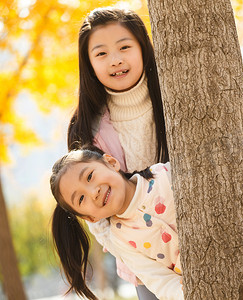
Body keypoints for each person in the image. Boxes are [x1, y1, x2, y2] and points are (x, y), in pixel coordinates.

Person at [67, 7, 170, 299]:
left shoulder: (172, 98)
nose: (116, 60)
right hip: (142, 256)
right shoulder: (86, 127)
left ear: (143, 48)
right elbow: (95, 215)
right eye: (101, 54)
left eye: (125, 47)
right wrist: (128, 250)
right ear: (88, 63)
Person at [50, 148, 183, 300]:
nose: (94, 193)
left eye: (89, 176)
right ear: (90, 218)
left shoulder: (164, 174)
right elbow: (160, 281)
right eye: (81, 199)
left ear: (111, 163)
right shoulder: (121, 240)